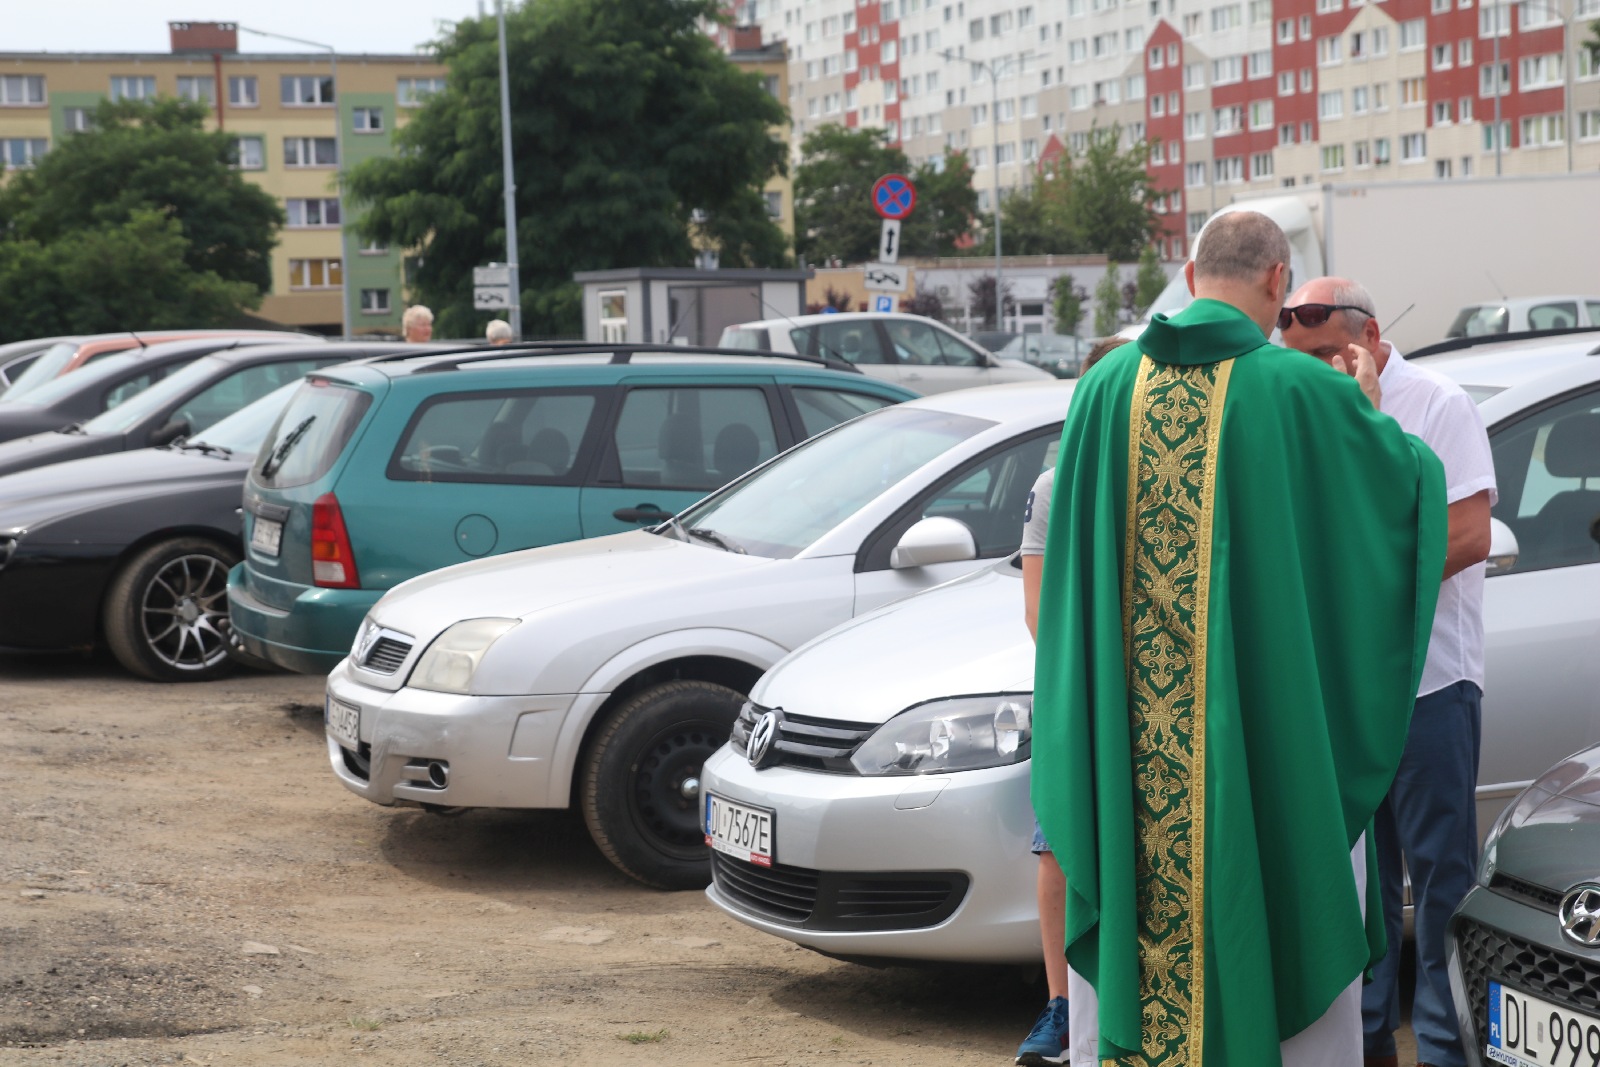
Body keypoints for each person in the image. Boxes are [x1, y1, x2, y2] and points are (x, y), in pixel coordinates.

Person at [1031, 211, 1447, 1066]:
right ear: (1274, 282)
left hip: (1132, 767)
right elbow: (1398, 506)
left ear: (1189, 275)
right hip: (1262, 755)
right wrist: (1370, 416)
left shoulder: (1104, 390)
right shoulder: (1307, 393)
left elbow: (1066, 578)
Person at [1281, 277, 1495, 1067]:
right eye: (1293, 355)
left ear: (1368, 339)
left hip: (1431, 686)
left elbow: (1470, 533)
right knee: (1358, 893)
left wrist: (1360, 578)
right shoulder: (1306, 411)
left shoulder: (1436, 403)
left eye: (1320, 353)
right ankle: (1365, 1045)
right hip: (1343, 694)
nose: (1305, 369)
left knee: (1439, 889)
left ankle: (1443, 1048)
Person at [1015, 335, 1124, 1067]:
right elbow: (1038, 609)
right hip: (1079, 694)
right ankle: (1060, 1003)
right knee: (1058, 846)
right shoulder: (1058, 487)